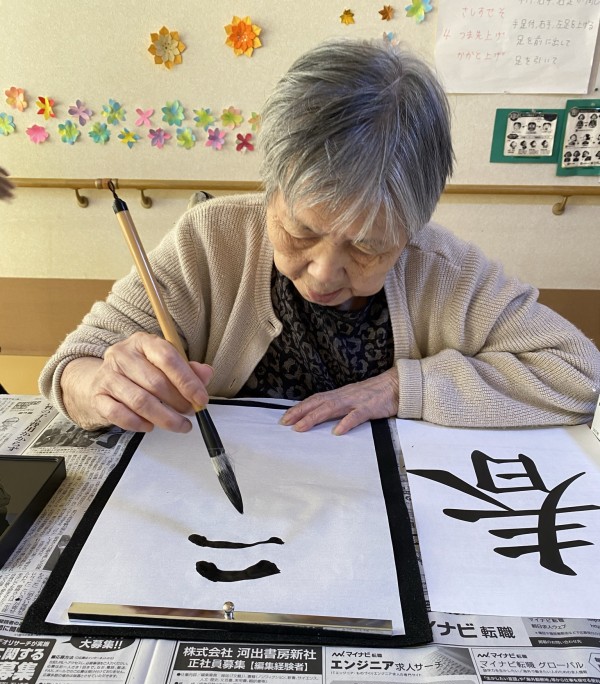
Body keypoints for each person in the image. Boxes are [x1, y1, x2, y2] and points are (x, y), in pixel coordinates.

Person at [40, 39, 600, 435]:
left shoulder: (440, 268)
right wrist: (100, 388)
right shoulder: (211, 239)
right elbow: (73, 366)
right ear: (271, 192)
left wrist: (403, 387)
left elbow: (578, 373)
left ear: (412, 227)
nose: (324, 272)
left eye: (368, 245)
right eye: (302, 230)